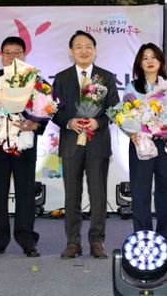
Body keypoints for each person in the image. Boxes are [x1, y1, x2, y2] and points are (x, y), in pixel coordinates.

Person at [51, 30, 119, 259]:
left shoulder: (106, 77)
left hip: (97, 143)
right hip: (71, 143)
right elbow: (52, 110)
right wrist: (68, 122)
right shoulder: (61, 78)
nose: (84, 50)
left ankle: (97, 241)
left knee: (98, 195)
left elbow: (114, 109)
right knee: (72, 195)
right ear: (71, 51)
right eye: (78, 46)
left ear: (95, 50)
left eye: (88, 46)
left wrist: (98, 122)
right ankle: (73, 242)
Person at [0, 36, 44, 257]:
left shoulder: (35, 79)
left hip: (24, 143)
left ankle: (27, 239)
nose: (12, 57)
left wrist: (35, 123)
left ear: (24, 55)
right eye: (8, 53)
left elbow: (46, 109)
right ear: (1, 56)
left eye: (17, 52)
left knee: (25, 193)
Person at [123, 43, 167, 246]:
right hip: (141, 144)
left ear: (161, 61)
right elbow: (125, 115)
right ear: (139, 63)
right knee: (140, 194)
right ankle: (143, 240)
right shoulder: (132, 88)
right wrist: (132, 132)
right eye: (145, 57)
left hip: (165, 143)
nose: (149, 61)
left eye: (153, 56)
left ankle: (165, 241)